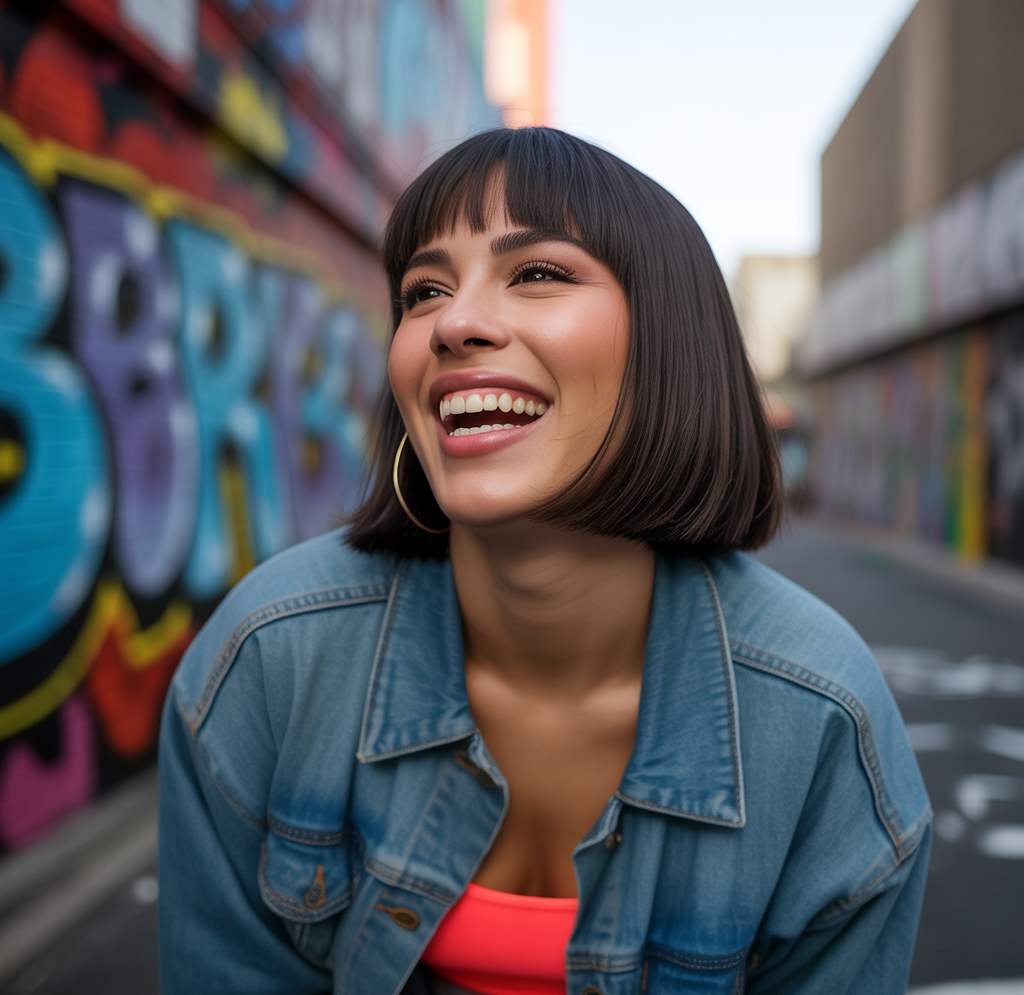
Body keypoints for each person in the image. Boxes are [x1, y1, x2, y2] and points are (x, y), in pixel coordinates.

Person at [159, 127, 931, 995]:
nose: (454, 323)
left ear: (667, 345)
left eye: (537, 273)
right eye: (423, 291)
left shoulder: (820, 719)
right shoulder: (270, 657)